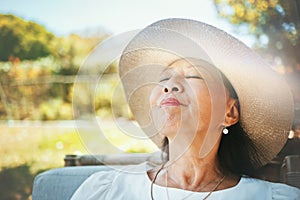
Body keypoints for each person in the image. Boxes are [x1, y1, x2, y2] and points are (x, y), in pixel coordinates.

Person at [71, 18, 300, 199]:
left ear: (230, 113)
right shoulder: (106, 191)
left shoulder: (271, 197)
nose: (170, 86)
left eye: (193, 75)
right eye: (163, 79)